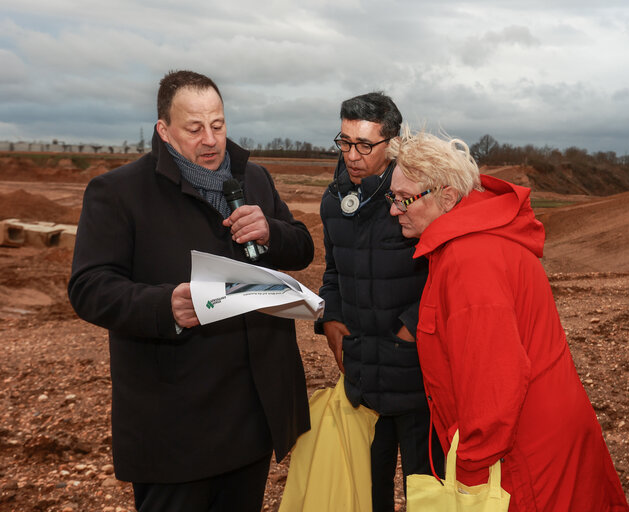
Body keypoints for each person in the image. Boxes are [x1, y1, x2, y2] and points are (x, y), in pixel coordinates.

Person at [68, 70, 314, 512]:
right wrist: (165, 306)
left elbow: (301, 247)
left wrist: (272, 231)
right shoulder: (118, 192)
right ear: (164, 130)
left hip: (253, 413)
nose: (210, 140)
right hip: (176, 424)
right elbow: (89, 287)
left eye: (218, 125)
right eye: (194, 128)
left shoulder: (253, 179)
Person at [385, 129, 629, 511]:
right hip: (540, 436)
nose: (393, 210)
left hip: (523, 458)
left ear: (447, 197)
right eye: (392, 196)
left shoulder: (470, 261)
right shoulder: (471, 240)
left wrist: (468, 476)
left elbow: (493, 389)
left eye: (404, 199)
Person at [315, 92, 442, 511]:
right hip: (363, 381)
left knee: (429, 495)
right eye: (345, 142)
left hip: (418, 382)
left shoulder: (415, 197)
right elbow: (333, 271)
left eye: (365, 145)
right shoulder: (333, 201)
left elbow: (443, 272)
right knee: (369, 499)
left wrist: (410, 330)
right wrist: (330, 318)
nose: (353, 155)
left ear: (394, 143)